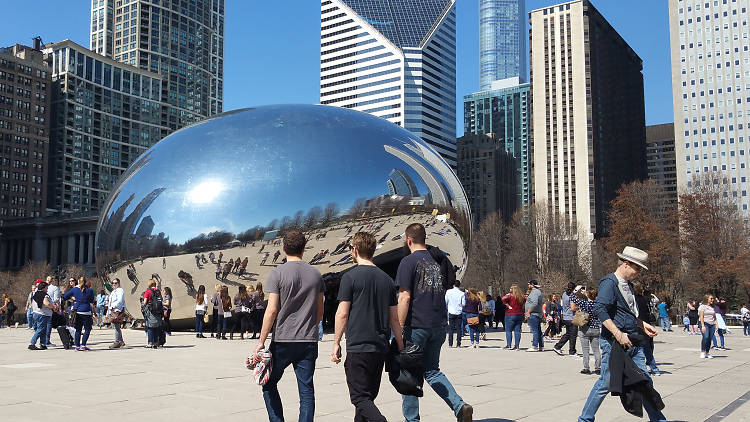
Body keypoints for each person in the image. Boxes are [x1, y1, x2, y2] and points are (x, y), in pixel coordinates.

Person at [578, 246, 666, 422]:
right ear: (626, 264)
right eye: (637, 268)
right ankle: (585, 419)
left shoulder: (629, 286)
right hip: (614, 343)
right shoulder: (609, 283)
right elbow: (600, 309)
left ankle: (658, 420)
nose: (639, 272)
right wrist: (618, 334)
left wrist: (643, 324)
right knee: (606, 383)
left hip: (633, 341)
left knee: (644, 382)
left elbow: (627, 314)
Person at [396, 223, 473, 422]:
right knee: (432, 371)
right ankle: (459, 406)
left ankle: (411, 420)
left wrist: (398, 326)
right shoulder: (436, 261)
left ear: (409, 240)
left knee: (410, 375)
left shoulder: (408, 262)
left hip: (417, 327)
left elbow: (404, 297)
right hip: (438, 326)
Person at [331, 232, 404, 422]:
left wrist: (336, 343)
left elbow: (342, 313)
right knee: (367, 398)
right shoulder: (387, 280)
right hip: (380, 347)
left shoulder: (350, 277)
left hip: (359, 347)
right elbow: (394, 319)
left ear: (355, 251)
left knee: (359, 397)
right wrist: (401, 344)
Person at [253, 230, 325, 422]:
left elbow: (272, 310)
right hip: (308, 341)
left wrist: (261, 341)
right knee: (306, 390)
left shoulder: (277, 273)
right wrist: (311, 327)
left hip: (282, 340)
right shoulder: (316, 274)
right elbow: (320, 310)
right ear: (304, 248)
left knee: (268, 384)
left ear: (283, 248)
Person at [572, 288, 601, 375]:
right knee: (596, 350)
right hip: (595, 327)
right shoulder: (598, 304)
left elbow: (572, 298)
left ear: (588, 295)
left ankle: (586, 368)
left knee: (585, 350)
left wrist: (576, 290)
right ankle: (598, 367)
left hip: (585, 328)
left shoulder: (584, 303)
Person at [633, 283, 660, 376]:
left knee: (638, 348)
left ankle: (640, 370)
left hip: (637, 323)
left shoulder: (633, 299)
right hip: (646, 323)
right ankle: (654, 369)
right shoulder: (646, 299)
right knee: (647, 348)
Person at [62, 277, 95, 351]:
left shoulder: (75, 289)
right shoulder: (90, 290)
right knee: (87, 329)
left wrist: (73, 298)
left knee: (78, 329)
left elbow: (65, 296)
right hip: (86, 311)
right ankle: (83, 345)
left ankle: (77, 346)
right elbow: (92, 300)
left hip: (78, 310)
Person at [554, 282, 579, 356]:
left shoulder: (564, 294)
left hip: (565, 316)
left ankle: (559, 347)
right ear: (574, 288)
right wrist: (579, 307)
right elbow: (573, 307)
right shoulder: (572, 295)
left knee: (569, 333)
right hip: (571, 317)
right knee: (573, 334)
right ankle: (571, 350)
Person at [29, 281, 53, 350]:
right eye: (47, 288)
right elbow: (46, 303)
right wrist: (53, 307)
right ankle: (32, 343)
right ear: (44, 288)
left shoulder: (35, 294)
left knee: (43, 329)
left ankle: (43, 344)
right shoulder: (44, 295)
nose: (47, 289)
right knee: (40, 329)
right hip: (42, 314)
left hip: (36, 313)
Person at [501, 285, 525, 350]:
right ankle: (517, 346)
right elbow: (526, 299)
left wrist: (508, 305)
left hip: (510, 314)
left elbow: (503, 299)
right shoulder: (521, 296)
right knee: (517, 331)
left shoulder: (510, 295)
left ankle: (509, 345)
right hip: (520, 314)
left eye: (511, 288)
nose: (510, 289)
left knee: (508, 330)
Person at [141, 279, 163, 349]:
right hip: (158, 311)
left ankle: (150, 343)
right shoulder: (158, 291)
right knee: (156, 327)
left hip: (150, 311)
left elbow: (145, 302)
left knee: (150, 327)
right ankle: (156, 342)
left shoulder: (148, 291)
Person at [525, 280, 544, 352]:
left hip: (534, 314)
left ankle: (534, 346)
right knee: (538, 330)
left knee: (535, 331)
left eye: (529, 284)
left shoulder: (535, 292)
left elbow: (535, 303)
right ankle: (541, 346)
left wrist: (528, 312)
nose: (528, 285)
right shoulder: (534, 292)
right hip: (535, 313)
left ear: (532, 285)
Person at [444, 280, 464, 348]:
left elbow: (445, 301)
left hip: (451, 311)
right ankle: (458, 343)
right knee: (459, 328)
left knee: (451, 328)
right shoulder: (462, 293)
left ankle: (450, 343)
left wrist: (448, 308)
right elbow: (463, 304)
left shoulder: (448, 292)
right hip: (459, 312)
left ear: (453, 285)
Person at [107, 278, 126, 349]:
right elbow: (110, 302)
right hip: (113, 310)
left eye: (115, 283)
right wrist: (108, 312)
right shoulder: (113, 291)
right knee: (116, 326)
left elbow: (120, 300)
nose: (114, 284)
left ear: (118, 283)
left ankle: (117, 342)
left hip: (117, 310)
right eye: (112, 283)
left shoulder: (120, 290)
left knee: (116, 326)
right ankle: (120, 341)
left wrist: (114, 306)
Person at [699, 294, 718, 359]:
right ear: (707, 299)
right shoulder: (702, 307)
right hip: (705, 323)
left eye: (713, 298)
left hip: (712, 324)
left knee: (710, 338)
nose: (712, 300)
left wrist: (716, 324)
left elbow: (714, 316)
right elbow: (701, 316)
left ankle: (707, 352)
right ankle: (702, 351)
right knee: (706, 337)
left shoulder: (713, 307)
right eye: (711, 298)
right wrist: (703, 326)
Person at [45, 277, 59, 345]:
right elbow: (56, 299)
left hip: (41, 307)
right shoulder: (55, 288)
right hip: (50, 307)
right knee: (49, 324)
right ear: (53, 280)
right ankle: (47, 341)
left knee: (42, 325)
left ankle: (42, 341)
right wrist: (57, 306)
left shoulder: (41, 287)